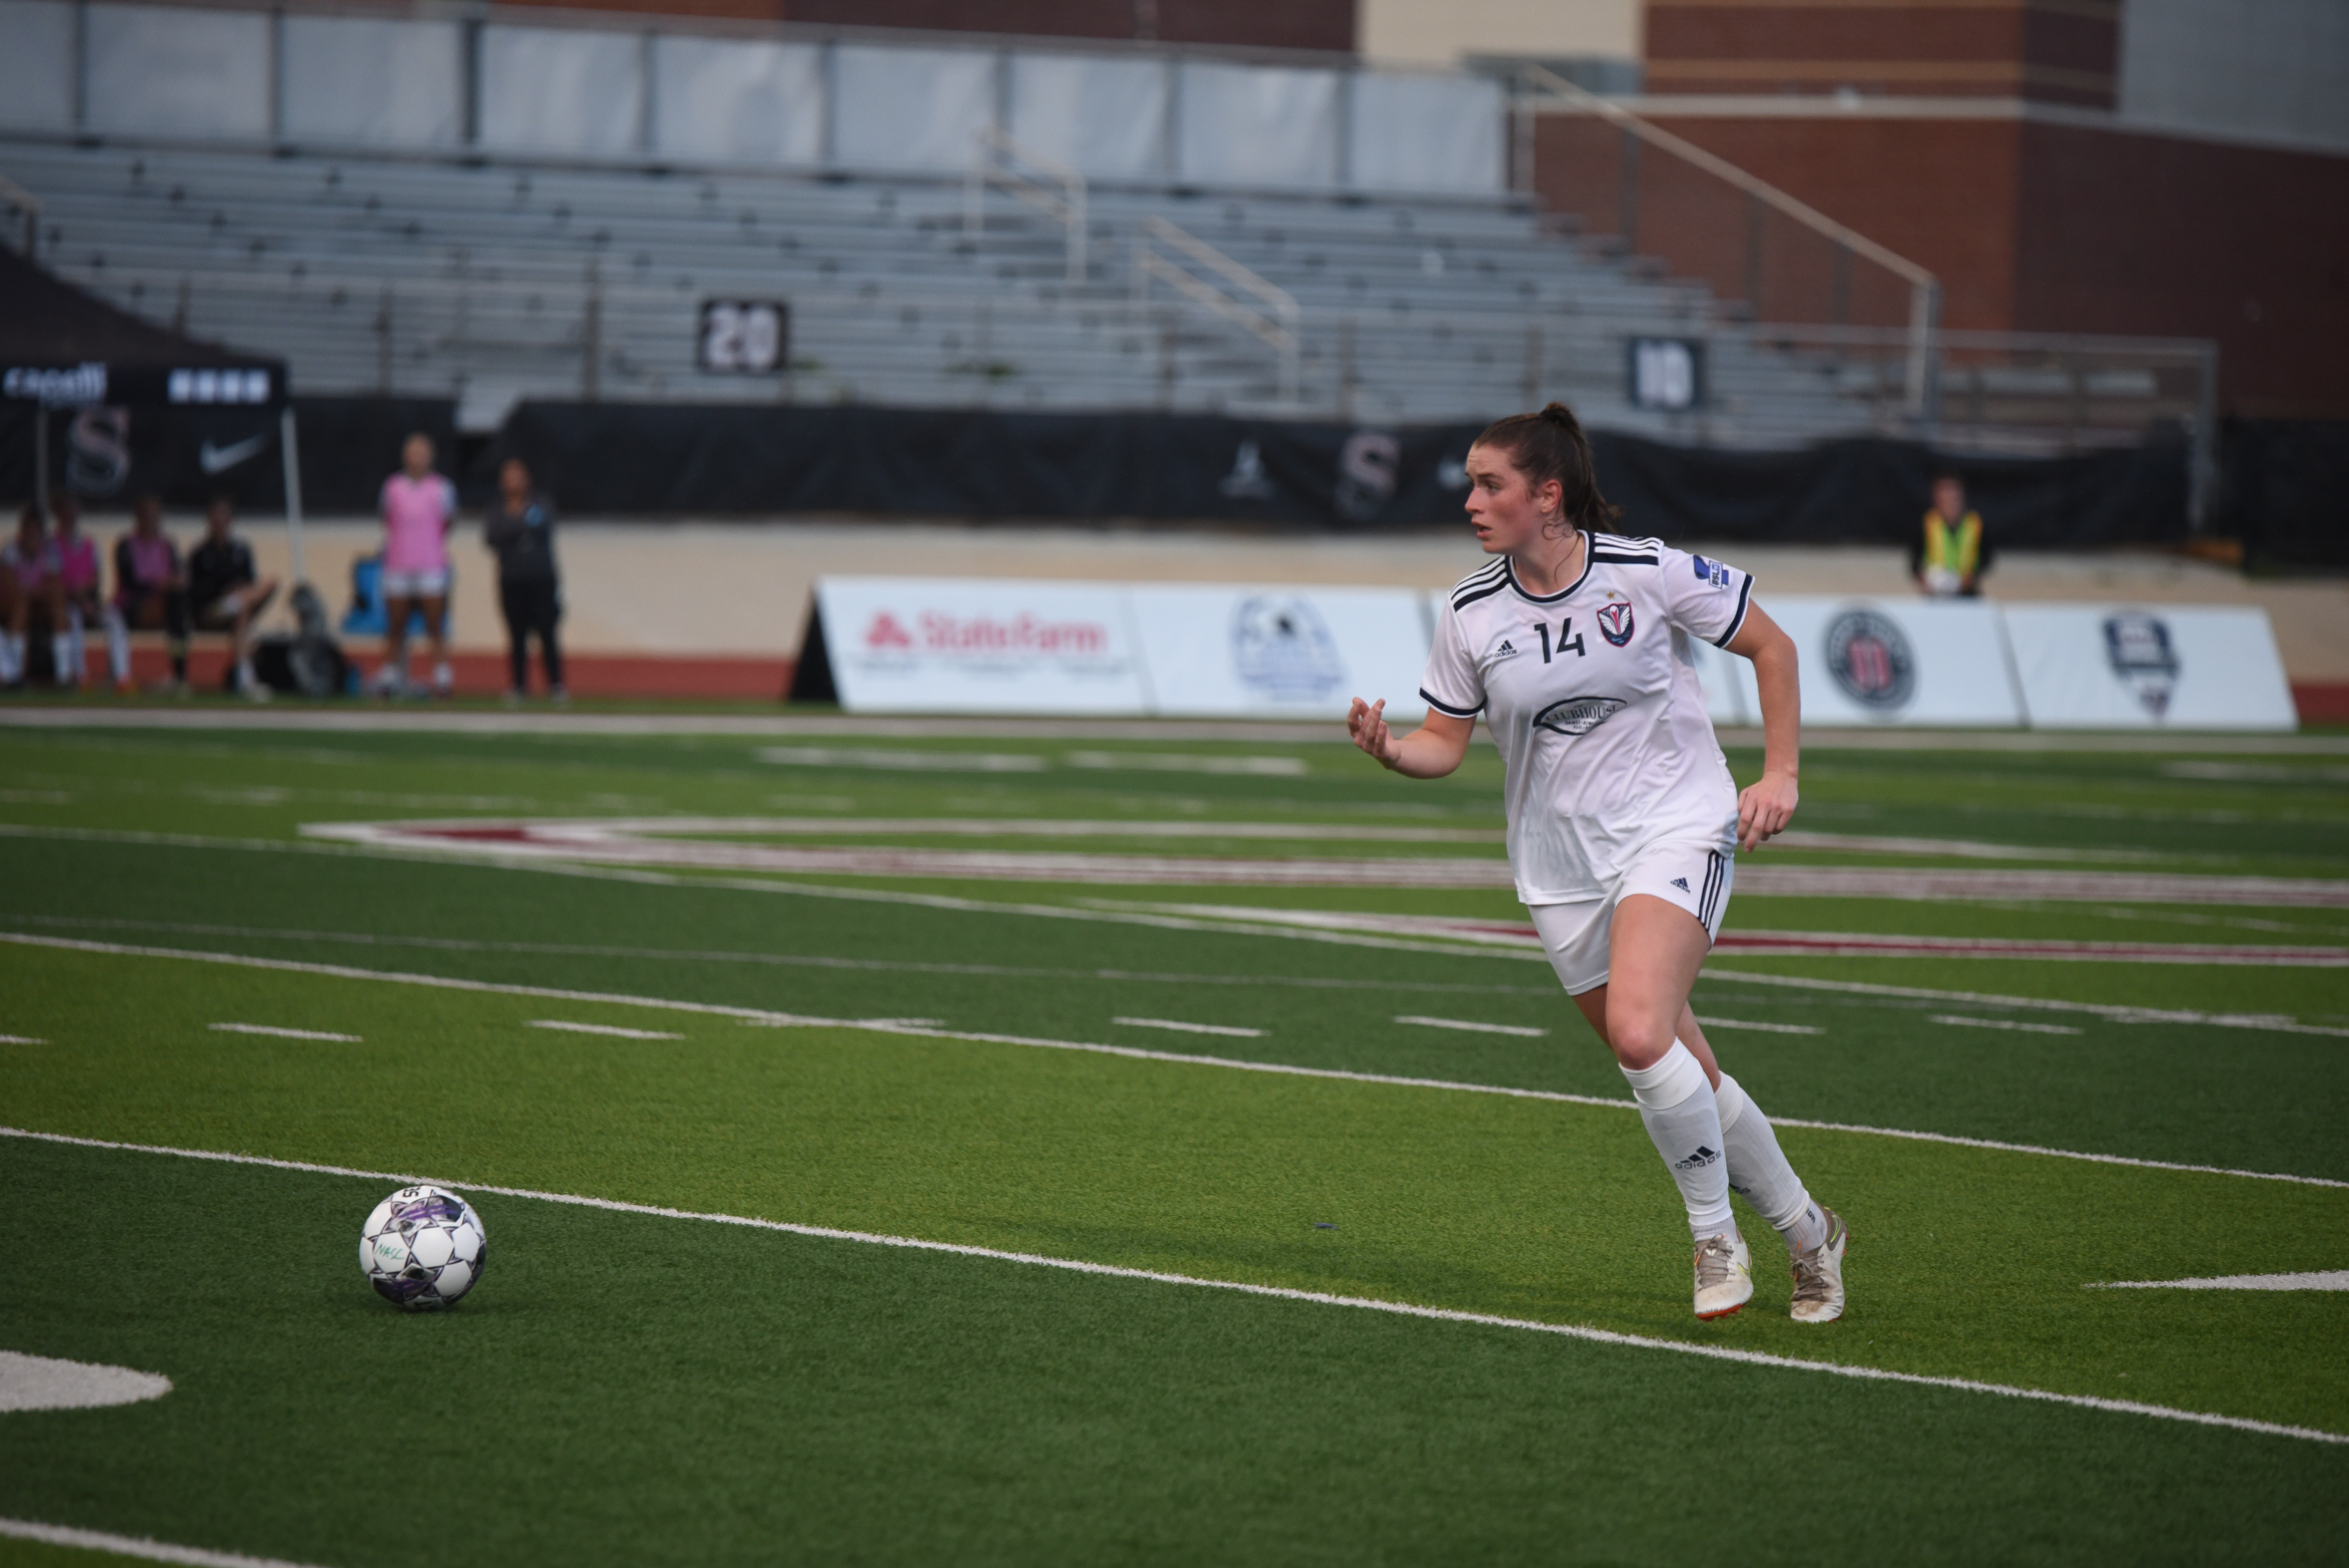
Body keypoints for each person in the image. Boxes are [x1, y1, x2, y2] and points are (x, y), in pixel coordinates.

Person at [1346, 402, 1845, 1325]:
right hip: (1557, 868)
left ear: (1548, 493)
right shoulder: (1468, 611)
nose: (1471, 500)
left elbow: (1769, 645)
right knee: (1681, 1062)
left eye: (1489, 483)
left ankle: (1711, 1237)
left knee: (1637, 1033)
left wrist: (1780, 772)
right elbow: (1443, 743)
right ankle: (1809, 1231)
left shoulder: (1646, 571)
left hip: (1675, 825)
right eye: (1469, 482)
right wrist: (1390, 750)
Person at [376, 432, 456, 697]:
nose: (418, 458)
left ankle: (442, 674)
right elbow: (386, 519)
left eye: (423, 453)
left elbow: (448, 522)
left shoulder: (442, 488)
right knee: (396, 623)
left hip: (431, 565)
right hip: (398, 565)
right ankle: (390, 674)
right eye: (413, 452)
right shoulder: (392, 487)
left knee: (435, 623)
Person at [483, 457, 565, 704]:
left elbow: (544, 525)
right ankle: (519, 686)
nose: (513, 482)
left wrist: (514, 527)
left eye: (518, 476)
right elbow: (492, 536)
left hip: (541, 579)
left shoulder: (541, 503)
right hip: (512, 580)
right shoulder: (497, 509)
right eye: (508, 477)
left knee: (547, 633)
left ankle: (556, 685)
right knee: (516, 636)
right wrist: (521, 527)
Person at [188, 495, 280, 700]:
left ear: (231, 520)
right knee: (240, 605)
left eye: (224, 516)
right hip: (211, 612)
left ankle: (244, 678)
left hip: (238, 609)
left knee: (252, 599)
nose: (220, 521)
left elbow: (251, 582)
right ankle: (247, 680)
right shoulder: (201, 554)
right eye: (216, 516)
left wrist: (239, 591)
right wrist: (224, 592)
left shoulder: (241, 551)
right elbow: (196, 592)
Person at [50, 490, 129, 691]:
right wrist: (77, 597)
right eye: (65, 509)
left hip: (89, 602)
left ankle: (122, 677)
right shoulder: (52, 545)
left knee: (115, 618)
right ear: (58, 513)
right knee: (73, 619)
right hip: (66, 603)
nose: (70, 514)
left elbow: (96, 578)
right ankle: (81, 675)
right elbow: (54, 581)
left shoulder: (89, 544)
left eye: (73, 508)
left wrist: (88, 600)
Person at [115, 494, 191, 692]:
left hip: (163, 606)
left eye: (155, 516)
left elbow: (178, 575)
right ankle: (178, 673)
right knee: (174, 607)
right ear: (138, 518)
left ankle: (179, 673)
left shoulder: (168, 546)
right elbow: (131, 582)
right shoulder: (127, 546)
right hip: (133, 606)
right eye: (147, 515)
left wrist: (179, 582)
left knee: (178, 607)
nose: (152, 520)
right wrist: (161, 585)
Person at [1, 505, 67, 688]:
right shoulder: (10, 551)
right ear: (21, 531)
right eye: (28, 531)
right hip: (11, 607)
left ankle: (64, 675)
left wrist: (34, 594)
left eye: (36, 531)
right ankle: (14, 675)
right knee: (21, 606)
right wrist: (34, 593)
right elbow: (13, 589)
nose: (32, 536)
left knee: (59, 606)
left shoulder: (50, 551)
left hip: (37, 605)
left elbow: (55, 587)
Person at [1912, 472, 1988, 597]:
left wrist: (1972, 578)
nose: (1950, 501)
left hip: (1967, 592)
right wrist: (1924, 580)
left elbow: (1986, 557)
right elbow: (1915, 560)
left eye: (1954, 496)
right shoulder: (1927, 524)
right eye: (1945, 496)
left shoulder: (1975, 523)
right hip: (1935, 592)